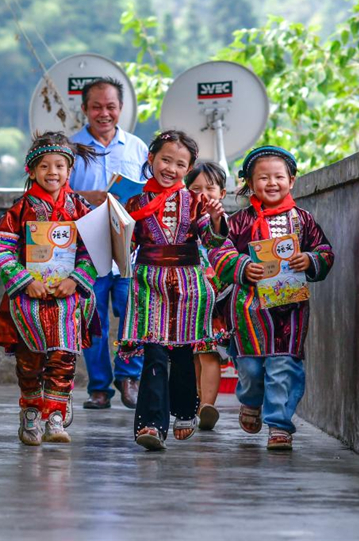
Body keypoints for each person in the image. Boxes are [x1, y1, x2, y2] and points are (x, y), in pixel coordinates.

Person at [209, 146, 335, 451]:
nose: (272, 183)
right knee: (251, 370)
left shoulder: (303, 220)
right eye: (263, 177)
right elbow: (220, 250)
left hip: (289, 310)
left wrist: (310, 259)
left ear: (292, 180)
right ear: (250, 184)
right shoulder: (240, 221)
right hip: (249, 311)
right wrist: (240, 266)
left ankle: (279, 425)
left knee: (284, 366)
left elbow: (325, 251)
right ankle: (250, 401)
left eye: (279, 176)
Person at [0, 132, 99, 446]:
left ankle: (55, 415)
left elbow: (94, 250)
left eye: (60, 166)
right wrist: (26, 282)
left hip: (67, 298)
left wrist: (75, 279)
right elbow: (2, 249)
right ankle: (31, 412)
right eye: (45, 166)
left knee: (63, 357)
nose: (53, 172)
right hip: (29, 298)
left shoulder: (80, 207)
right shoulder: (19, 211)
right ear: (32, 171)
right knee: (29, 359)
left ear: (69, 169)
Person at [120, 130, 228, 451]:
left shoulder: (196, 202)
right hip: (148, 283)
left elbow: (212, 240)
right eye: (165, 159)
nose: (171, 168)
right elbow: (125, 244)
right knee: (154, 353)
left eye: (181, 164)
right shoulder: (134, 202)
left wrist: (216, 220)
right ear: (150, 159)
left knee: (182, 354)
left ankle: (184, 411)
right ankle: (151, 424)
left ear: (189, 168)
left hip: (188, 286)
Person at [69, 77, 149, 410]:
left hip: (130, 251)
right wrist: (85, 197)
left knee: (134, 316)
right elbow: (57, 194)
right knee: (93, 320)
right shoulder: (71, 149)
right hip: (87, 251)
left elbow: (151, 194)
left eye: (111, 106)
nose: (104, 113)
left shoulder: (137, 148)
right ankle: (99, 387)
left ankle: (129, 377)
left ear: (121, 109)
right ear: (85, 108)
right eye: (97, 106)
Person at [184, 162, 231, 431]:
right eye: (195, 189)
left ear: (222, 193)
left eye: (209, 189)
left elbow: (223, 244)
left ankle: (206, 406)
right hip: (188, 298)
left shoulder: (223, 222)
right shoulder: (183, 220)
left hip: (213, 300)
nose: (203, 195)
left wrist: (214, 219)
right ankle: (199, 402)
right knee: (194, 355)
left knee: (208, 351)